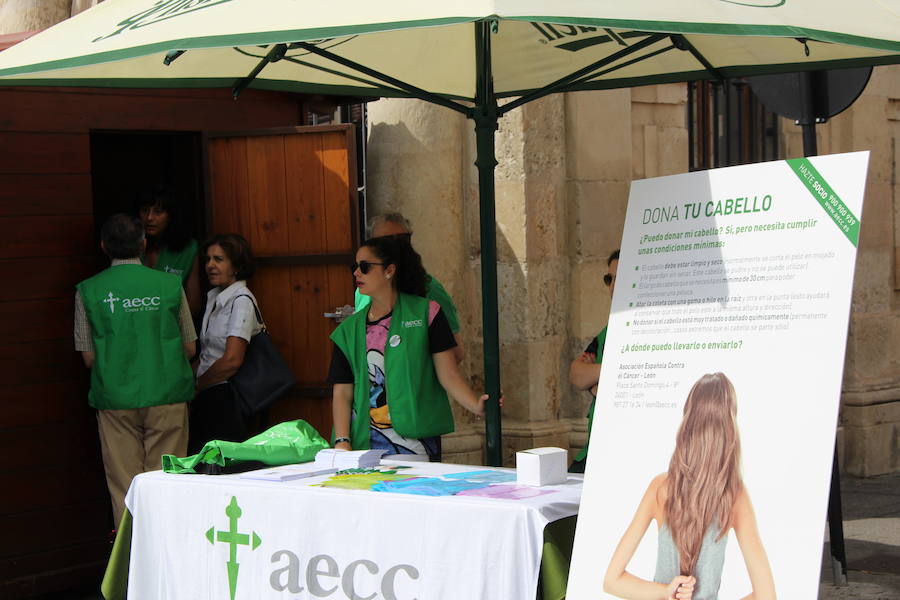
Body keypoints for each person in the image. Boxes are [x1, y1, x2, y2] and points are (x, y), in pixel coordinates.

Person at [604, 373, 776, 600]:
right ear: (729, 426)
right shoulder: (734, 495)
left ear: (687, 420)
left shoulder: (660, 487)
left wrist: (665, 592)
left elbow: (612, 581)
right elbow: (767, 595)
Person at [74, 214, 195, 525]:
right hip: (168, 391)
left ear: (103, 246)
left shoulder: (88, 290)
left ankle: (130, 560)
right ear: (143, 244)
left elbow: (88, 356)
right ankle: (167, 556)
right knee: (167, 479)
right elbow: (190, 347)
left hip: (114, 396)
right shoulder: (169, 284)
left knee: (125, 484)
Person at [328, 235, 492, 461]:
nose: (356, 273)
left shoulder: (427, 313)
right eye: (354, 267)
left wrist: (477, 406)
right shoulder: (347, 330)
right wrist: (342, 442)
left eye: (364, 267)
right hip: (361, 445)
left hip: (415, 444)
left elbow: (448, 374)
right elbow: (342, 392)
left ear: (389, 270)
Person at [189, 233, 264, 453]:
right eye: (208, 259)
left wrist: (197, 386)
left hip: (226, 396)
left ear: (237, 265)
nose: (210, 265)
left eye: (218, 259)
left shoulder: (241, 300)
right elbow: (207, 354)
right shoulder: (214, 298)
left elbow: (232, 360)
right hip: (208, 393)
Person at [355, 212, 464, 362]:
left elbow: (455, 353)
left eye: (401, 241)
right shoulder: (362, 291)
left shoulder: (430, 289)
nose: (395, 248)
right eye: (384, 243)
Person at [568, 249, 619, 473]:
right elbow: (577, 375)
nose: (613, 286)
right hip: (594, 449)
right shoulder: (607, 332)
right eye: (610, 279)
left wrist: (598, 379)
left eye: (621, 277)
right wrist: (608, 374)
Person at [136, 184, 201, 316]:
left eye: (158, 212)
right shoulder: (131, 245)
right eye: (144, 210)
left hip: (172, 324)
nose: (149, 218)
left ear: (171, 216)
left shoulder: (188, 248)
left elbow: (193, 305)